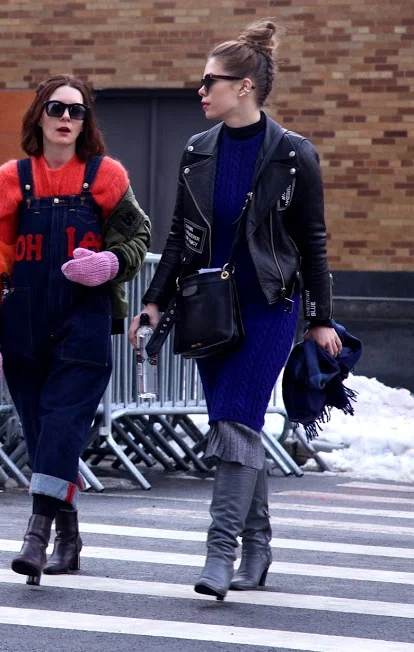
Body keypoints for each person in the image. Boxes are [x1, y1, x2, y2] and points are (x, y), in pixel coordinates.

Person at [127, 19, 342, 601]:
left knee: (235, 419)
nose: (201, 91)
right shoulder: (197, 150)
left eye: (210, 81)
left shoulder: (295, 155)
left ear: (244, 86)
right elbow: (179, 235)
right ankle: (259, 545)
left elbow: (313, 241)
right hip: (209, 309)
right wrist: (153, 302)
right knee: (235, 427)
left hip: (271, 307)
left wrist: (320, 317)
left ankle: (219, 554)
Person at [0, 74, 152, 585]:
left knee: (63, 423)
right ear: (38, 116)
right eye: (56, 109)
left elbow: (138, 235)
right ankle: (69, 532)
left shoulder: (107, 176)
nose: (66, 119)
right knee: (42, 431)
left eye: (77, 111)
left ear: (87, 121)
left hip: (83, 320)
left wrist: (110, 262)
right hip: (23, 321)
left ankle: (36, 534)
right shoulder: (11, 178)